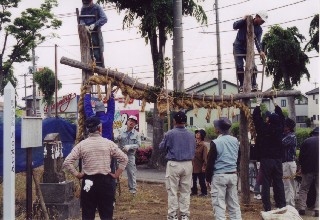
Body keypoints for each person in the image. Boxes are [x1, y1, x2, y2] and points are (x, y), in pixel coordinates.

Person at [62, 116, 128, 220]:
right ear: (100, 128)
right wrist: (116, 174)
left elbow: (67, 162)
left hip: (88, 182)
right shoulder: (109, 143)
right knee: (106, 215)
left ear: (87, 130)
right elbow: (124, 159)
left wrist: (77, 174)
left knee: (88, 214)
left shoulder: (82, 145)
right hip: (105, 182)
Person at [159, 111, 196, 220]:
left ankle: (173, 214)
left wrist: (165, 139)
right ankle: (184, 214)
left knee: (172, 190)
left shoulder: (170, 133)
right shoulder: (191, 134)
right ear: (185, 121)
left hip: (174, 164)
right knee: (186, 190)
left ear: (174, 121)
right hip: (188, 164)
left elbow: (161, 147)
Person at [253, 96, 286, 211]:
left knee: (266, 182)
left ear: (268, 120)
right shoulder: (280, 128)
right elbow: (282, 118)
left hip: (266, 158)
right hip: (278, 159)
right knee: (278, 181)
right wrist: (275, 103)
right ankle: (281, 204)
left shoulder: (264, 128)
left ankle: (267, 206)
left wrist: (258, 104)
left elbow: (256, 118)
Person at [205, 117, 242, 220]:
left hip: (219, 175)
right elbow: (238, 157)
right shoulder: (235, 141)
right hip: (232, 174)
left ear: (218, 129)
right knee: (234, 205)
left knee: (219, 206)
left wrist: (208, 178)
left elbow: (210, 162)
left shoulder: (216, 142)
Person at [233, 11, 268, 93]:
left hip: (249, 47)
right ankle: (242, 85)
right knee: (239, 66)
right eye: (262, 21)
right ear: (257, 17)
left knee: (253, 66)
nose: (262, 23)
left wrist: (261, 51)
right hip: (238, 46)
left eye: (263, 22)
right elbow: (234, 26)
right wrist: (243, 19)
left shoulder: (259, 29)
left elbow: (258, 41)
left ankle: (254, 84)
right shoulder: (246, 21)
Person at [117, 115, 141, 195]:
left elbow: (138, 145)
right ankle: (114, 188)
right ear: (127, 121)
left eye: (133, 122)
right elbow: (114, 140)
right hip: (120, 154)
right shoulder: (120, 131)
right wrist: (117, 137)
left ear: (135, 124)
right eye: (130, 120)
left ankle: (133, 191)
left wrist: (130, 146)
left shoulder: (137, 134)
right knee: (114, 171)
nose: (131, 122)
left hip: (130, 155)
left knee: (131, 173)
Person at [298, 127, 319, 217]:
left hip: (307, 169)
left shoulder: (306, 141)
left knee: (304, 189)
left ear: (312, 133)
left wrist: (301, 167)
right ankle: (318, 209)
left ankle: (302, 208)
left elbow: (301, 157)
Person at [281, 117, 297, 207]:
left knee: (288, 185)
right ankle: (290, 203)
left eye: (285, 125)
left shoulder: (291, 136)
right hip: (288, 163)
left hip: (288, 163)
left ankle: (289, 204)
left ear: (288, 127)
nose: (283, 127)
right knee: (289, 184)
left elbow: (281, 143)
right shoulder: (288, 135)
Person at [191, 128, 208, 197]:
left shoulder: (203, 145)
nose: (197, 134)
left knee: (201, 180)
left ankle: (204, 192)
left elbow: (205, 157)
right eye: (196, 133)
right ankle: (194, 191)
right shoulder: (193, 144)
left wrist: (204, 166)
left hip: (200, 165)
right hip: (193, 165)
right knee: (193, 180)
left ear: (202, 135)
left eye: (199, 133)